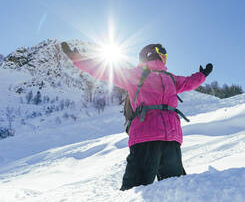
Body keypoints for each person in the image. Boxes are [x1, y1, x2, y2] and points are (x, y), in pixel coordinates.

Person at [61, 42, 213, 190]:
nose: (165, 59)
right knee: (166, 189)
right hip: (156, 138)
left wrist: (201, 75)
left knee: (160, 190)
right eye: (164, 55)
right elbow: (104, 70)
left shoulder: (169, 77)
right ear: (155, 54)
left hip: (162, 139)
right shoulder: (141, 75)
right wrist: (77, 58)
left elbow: (189, 82)